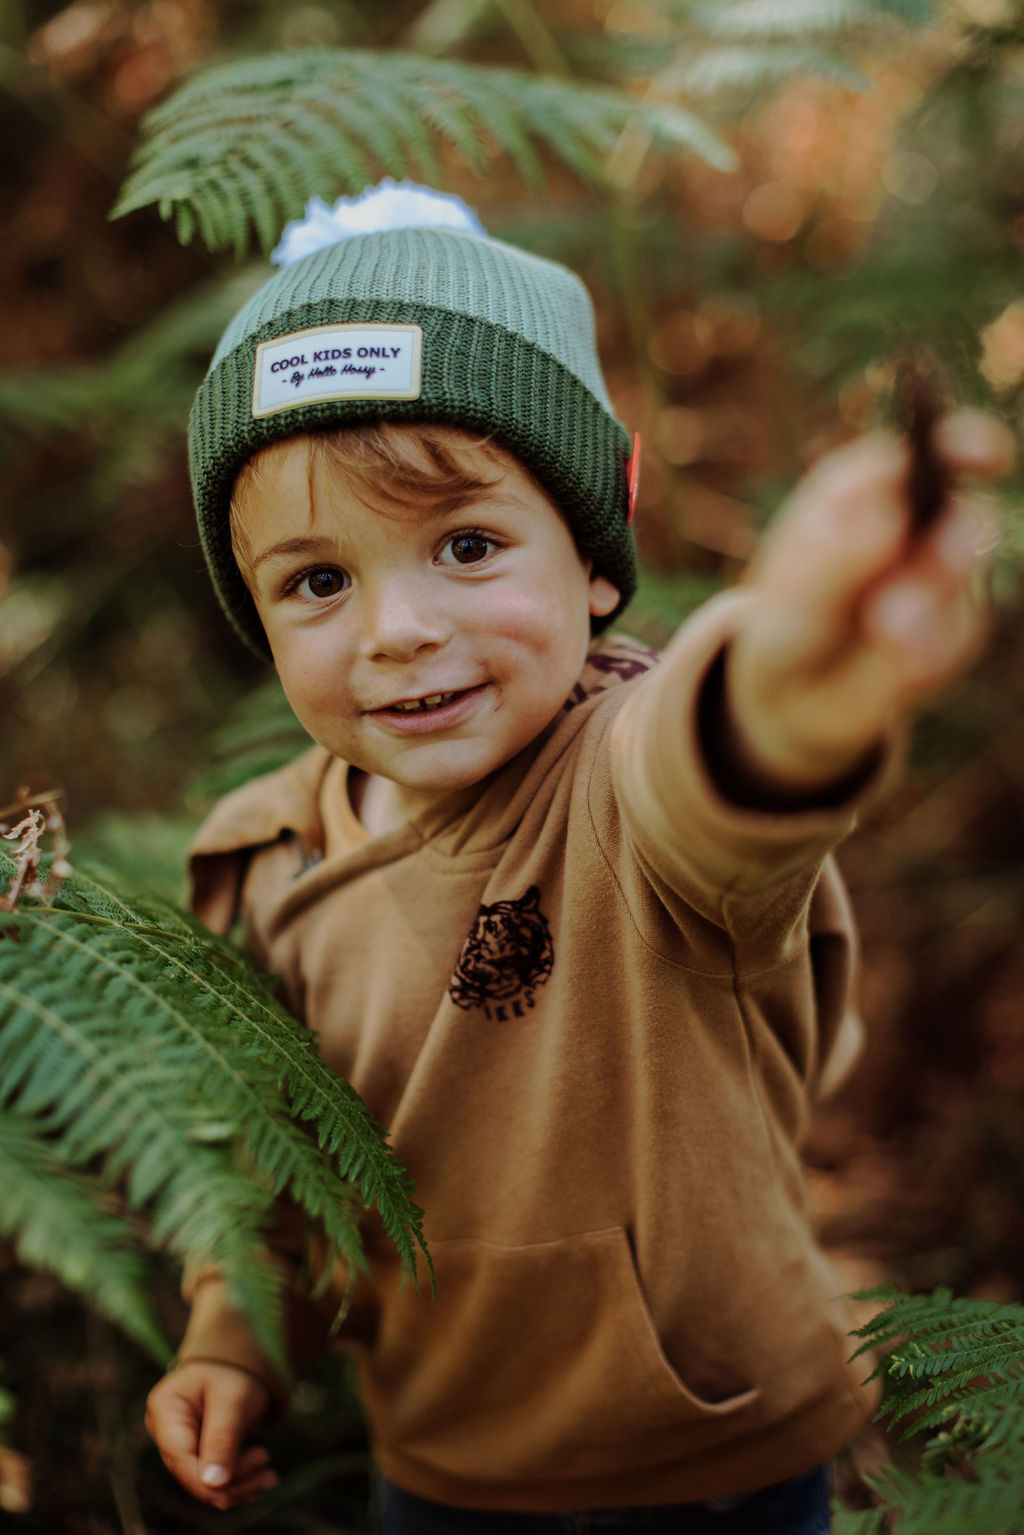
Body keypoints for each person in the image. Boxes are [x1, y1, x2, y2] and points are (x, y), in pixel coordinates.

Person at [143, 184, 1010, 1532]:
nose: (397, 628)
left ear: (594, 560)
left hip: (712, 1460)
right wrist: (231, 1340)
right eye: (318, 580)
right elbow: (275, 1170)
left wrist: (795, 662)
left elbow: (722, 767)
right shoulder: (262, 857)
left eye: (468, 546)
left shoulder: (620, 787)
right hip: (439, 1468)